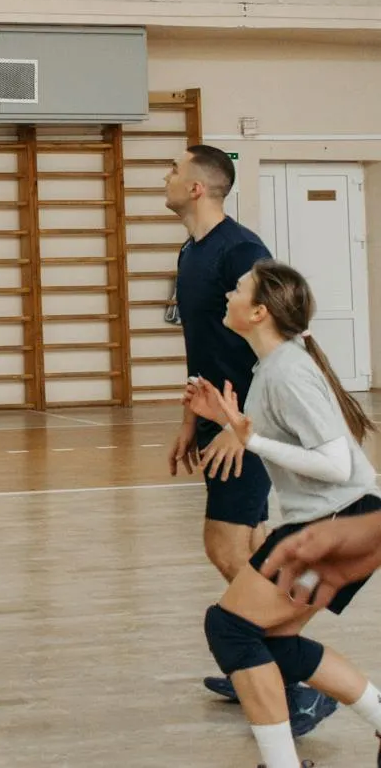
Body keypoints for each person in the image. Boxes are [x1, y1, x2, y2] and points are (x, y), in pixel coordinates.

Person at [164, 146, 333, 733]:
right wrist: (192, 417)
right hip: (221, 413)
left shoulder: (241, 250)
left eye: (174, 168)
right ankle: (259, 667)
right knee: (254, 546)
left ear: (197, 189)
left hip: (252, 418)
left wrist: (246, 429)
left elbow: (276, 344)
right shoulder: (192, 252)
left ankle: (293, 681)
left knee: (226, 547)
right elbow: (205, 349)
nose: (166, 175)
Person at [189, 261, 381, 768]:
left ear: (258, 312)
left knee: (231, 629)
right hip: (344, 522)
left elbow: (337, 464)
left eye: (239, 288)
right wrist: (224, 422)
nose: (229, 292)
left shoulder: (287, 372)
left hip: (341, 524)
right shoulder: (275, 366)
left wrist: (251, 438)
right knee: (272, 639)